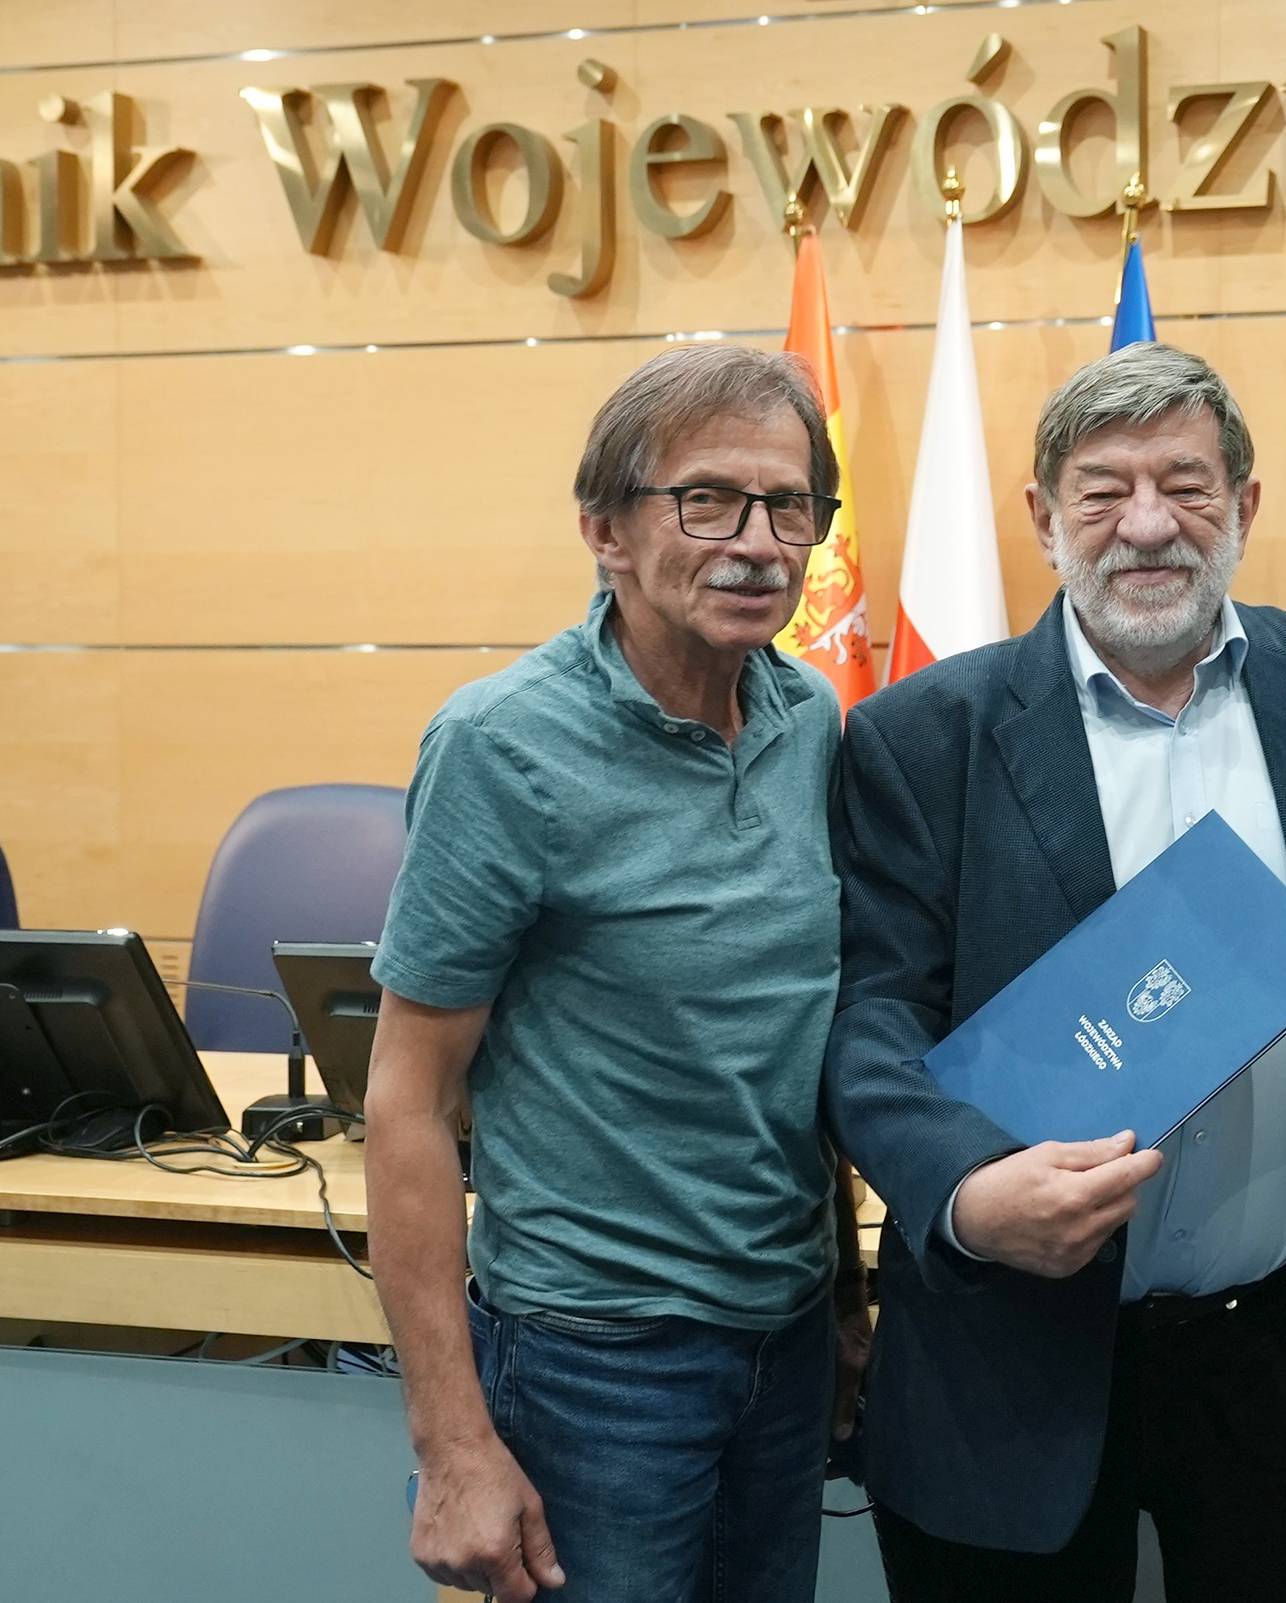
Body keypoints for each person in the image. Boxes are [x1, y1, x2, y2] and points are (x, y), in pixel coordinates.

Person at [825, 341, 1286, 1602]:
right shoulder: (920, 735)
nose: (1148, 525)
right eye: (1104, 492)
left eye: (1187, 484)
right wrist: (967, 1189)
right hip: (1012, 1356)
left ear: (1246, 504)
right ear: (1042, 518)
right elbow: (865, 1017)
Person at [363, 342, 864, 1603]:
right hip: (594, 1362)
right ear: (606, 532)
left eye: (789, 505)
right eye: (708, 501)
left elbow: (803, 1045)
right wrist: (452, 1446)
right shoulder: (502, 746)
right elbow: (407, 1101)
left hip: (786, 1338)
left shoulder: (812, 721)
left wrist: (845, 1302)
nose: (759, 544)